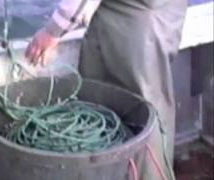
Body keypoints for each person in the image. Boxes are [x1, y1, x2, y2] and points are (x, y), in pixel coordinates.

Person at [25, 0, 187, 179]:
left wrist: (52, 31)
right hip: (165, 16)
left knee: (141, 114)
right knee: (154, 104)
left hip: (133, 25)